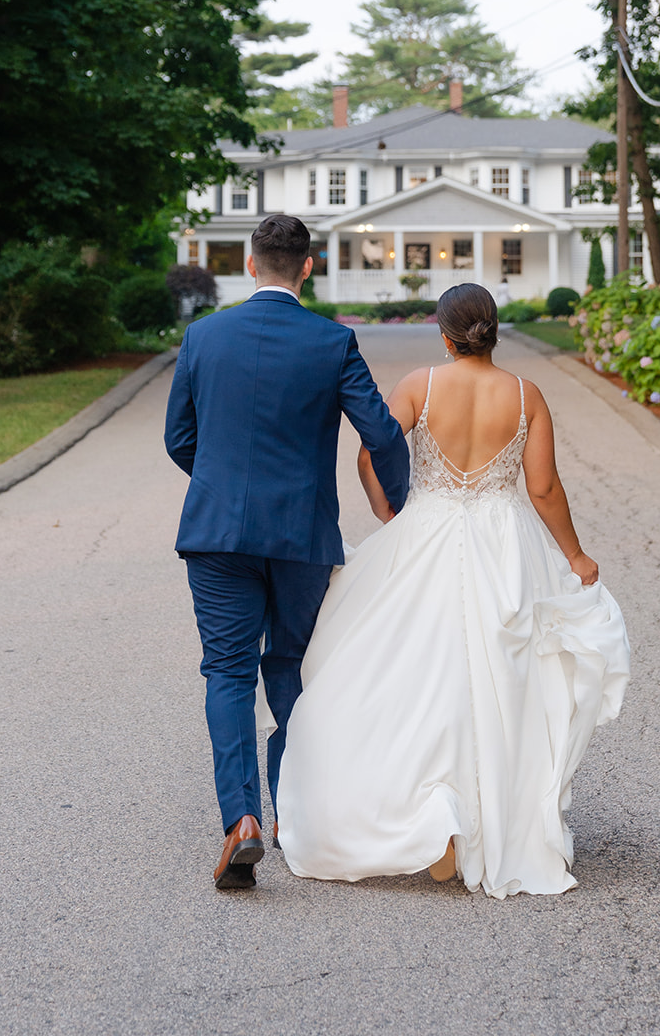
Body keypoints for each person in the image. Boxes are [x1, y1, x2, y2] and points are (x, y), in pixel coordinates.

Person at [277, 282, 629, 899]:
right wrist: (574, 554)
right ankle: (485, 816)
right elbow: (543, 488)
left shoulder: (420, 384)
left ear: (445, 335)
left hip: (428, 528)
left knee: (412, 671)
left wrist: (391, 514)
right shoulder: (527, 395)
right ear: (493, 331)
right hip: (503, 539)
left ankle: (430, 814)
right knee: (501, 678)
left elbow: (370, 455)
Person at [164, 214, 410, 891]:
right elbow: (382, 434)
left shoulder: (203, 336)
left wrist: (220, 485)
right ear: (307, 267)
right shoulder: (332, 342)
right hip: (301, 535)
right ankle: (292, 821)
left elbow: (178, 438)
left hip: (216, 534)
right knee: (292, 666)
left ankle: (239, 820)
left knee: (226, 671)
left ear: (250, 265)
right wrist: (398, 507)